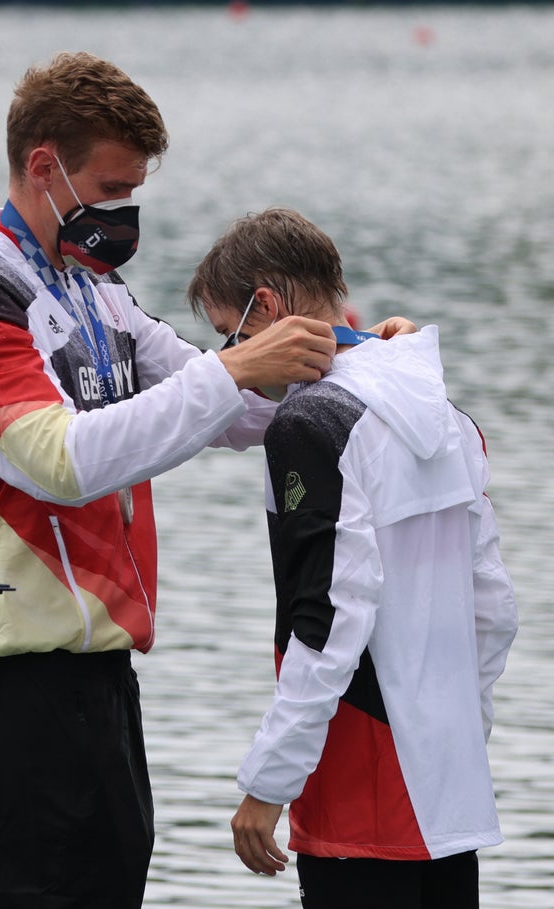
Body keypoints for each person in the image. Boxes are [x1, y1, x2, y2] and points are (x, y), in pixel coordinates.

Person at [0, 51, 354, 909]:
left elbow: (237, 411)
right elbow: (62, 463)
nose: (123, 212)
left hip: (103, 677)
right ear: (43, 166)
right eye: (109, 187)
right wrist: (235, 367)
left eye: (134, 190)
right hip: (15, 681)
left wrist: (358, 362)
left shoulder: (93, 284)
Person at [188, 207, 518, 909]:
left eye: (229, 335)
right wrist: (456, 729)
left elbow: (326, 619)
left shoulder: (308, 425)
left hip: (355, 790)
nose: (233, 362)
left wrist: (268, 782)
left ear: (267, 306)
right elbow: (494, 609)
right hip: (449, 788)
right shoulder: (449, 417)